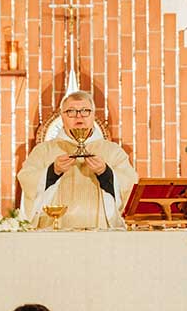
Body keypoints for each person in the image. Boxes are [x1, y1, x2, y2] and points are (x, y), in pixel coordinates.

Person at [17, 90, 137, 229]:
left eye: (85, 111)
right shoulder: (43, 151)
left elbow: (131, 185)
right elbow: (26, 179)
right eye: (71, 111)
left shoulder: (113, 151)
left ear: (93, 115)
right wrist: (52, 172)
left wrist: (106, 173)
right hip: (54, 232)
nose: (79, 116)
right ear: (62, 117)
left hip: (101, 232)